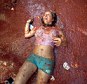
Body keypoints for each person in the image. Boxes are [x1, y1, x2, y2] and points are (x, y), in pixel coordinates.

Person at [14, 11, 65, 84]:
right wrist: (28, 23)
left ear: (53, 19)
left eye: (47, 15)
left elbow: (65, 41)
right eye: (44, 15)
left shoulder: (57, 30)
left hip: (47, 61)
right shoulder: (38, 28)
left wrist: (61, 41)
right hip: (33, 58)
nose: (44, 16)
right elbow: (26, 35)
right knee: (18, 82)